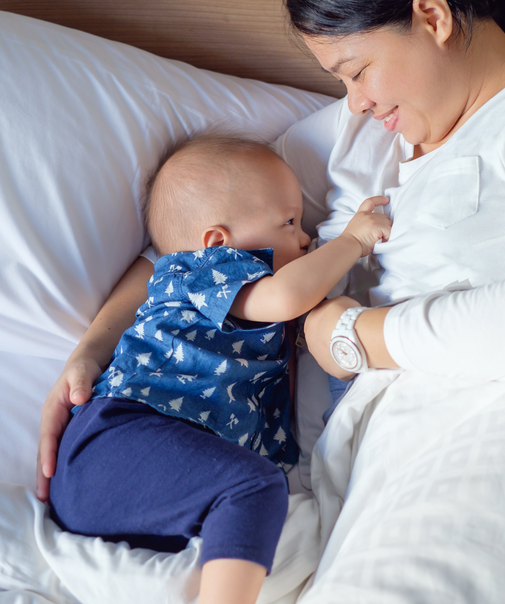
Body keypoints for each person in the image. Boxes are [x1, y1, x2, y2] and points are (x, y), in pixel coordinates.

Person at [39, 0, 505, 589]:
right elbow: (187, 247)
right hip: (394, 470)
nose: (354, 101)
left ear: (434, 17)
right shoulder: (355, 140)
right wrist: (91, 350)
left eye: (357, 70)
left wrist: (349, 334)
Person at [47, 134, 391, 604]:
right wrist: (352, 240)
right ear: (217, 240)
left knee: (258, 500)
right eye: (289, 222)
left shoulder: (255, 312)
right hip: (120, 439)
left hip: (153, 483)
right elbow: (286, 295)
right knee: (256, 488)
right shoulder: (207, 269)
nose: (307, 237)